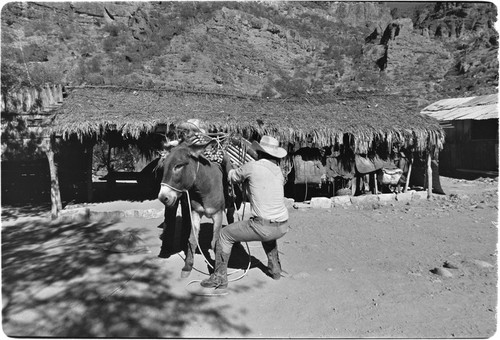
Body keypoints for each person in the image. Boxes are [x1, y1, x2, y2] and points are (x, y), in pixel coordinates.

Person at [201, 135, 290, 289]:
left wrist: (227, 162)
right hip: (282, 226)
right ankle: (275, 270)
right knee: (269, 235)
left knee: (224, 234)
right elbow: (261, 168)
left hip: (264, 227)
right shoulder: (278, 171)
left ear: (259, 152)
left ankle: (219, 278)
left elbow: (232, 177)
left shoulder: (252, 167)